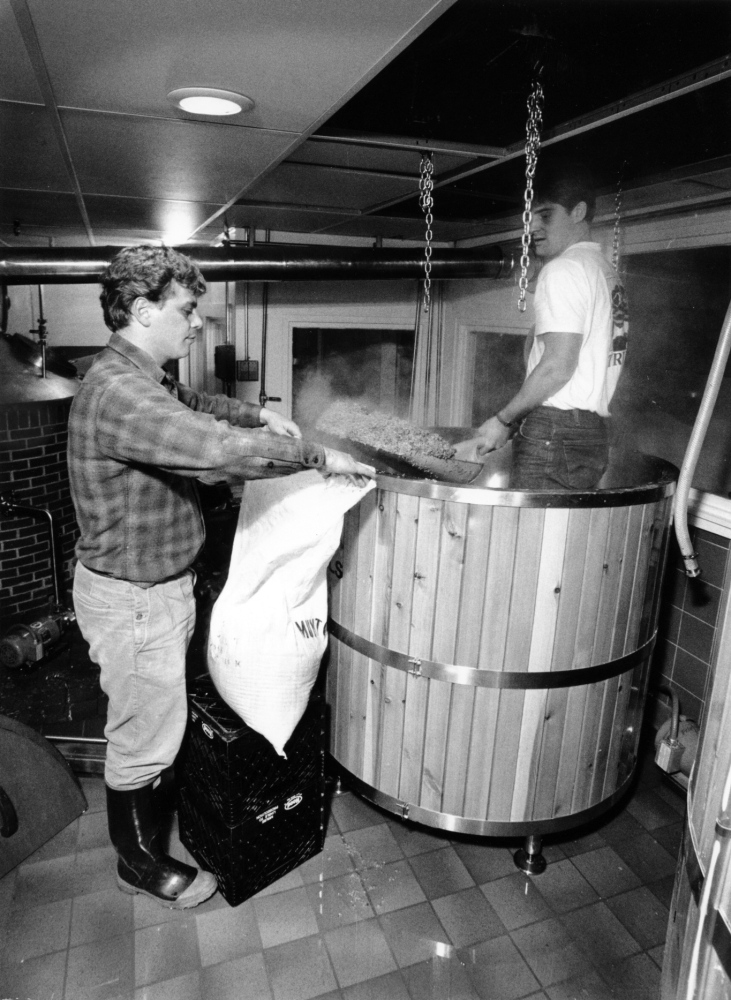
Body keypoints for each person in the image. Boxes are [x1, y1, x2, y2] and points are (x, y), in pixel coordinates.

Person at [67, 245, 374, 909]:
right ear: (143, 309)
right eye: (187, 308)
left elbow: (197, 403)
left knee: (157, 720)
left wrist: (257, 413)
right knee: (144, 735)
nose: (197, 321)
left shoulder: (140, 376)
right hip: (135, 599)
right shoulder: (120, 394)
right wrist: (315, 454)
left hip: (151, 590)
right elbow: (215, 452)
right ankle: (139, 861)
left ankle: (143, 845)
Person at [456, 160, 628, 490]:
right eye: (530, 215)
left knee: (533, 539)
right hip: (589, 433)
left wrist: (502, 418)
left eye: (546, 215)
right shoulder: (606, 272)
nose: (532, 226)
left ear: (578, 212)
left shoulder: (563, 269)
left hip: (554, 430)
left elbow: (558, 367)